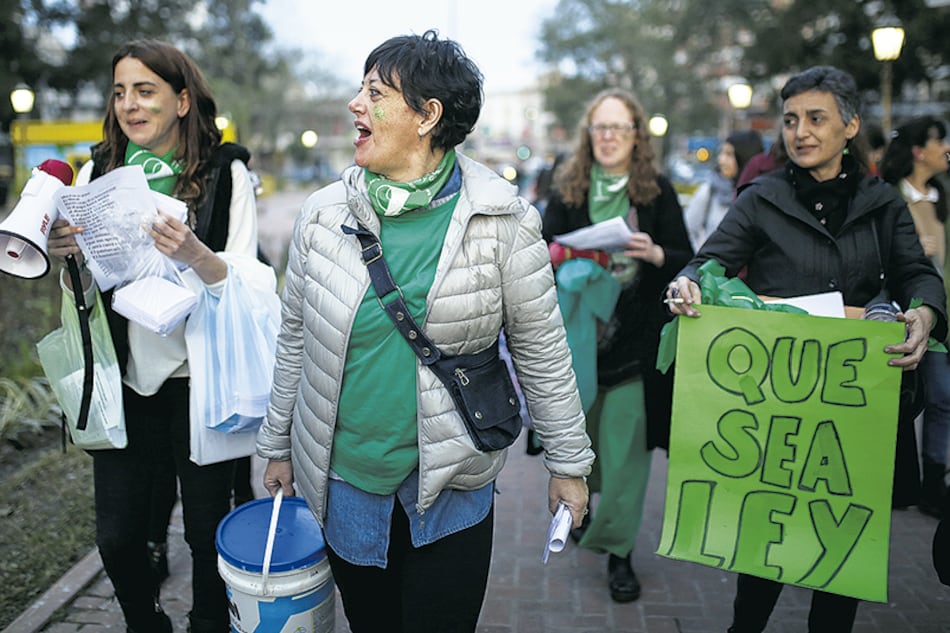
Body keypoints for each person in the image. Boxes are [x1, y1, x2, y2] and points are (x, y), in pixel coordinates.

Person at [256, 30, 593, 633]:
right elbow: (295, 344)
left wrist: (568, 463)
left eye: (376, 93)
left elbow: (542, 350)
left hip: (453, 486)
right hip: (346, 484)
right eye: (360, 89)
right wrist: (277, 445)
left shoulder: (503, 222)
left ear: (427, 116)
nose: (356, 104)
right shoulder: (322, 215)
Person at [666, 65, 948, 633]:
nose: (801, 132)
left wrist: (924, 311)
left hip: (855, 406)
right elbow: (708, 260)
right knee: (763, 540)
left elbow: (919, 274)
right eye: (791, 120)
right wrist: (687, 283)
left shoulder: (883, 203)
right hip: (777, 407)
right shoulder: (761, 198)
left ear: (850, 126)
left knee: (840, 544)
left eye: (816, 118)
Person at [46, 39, 264, 633]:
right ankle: (147, 622)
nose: (130, 105)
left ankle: (209, 624)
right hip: (125, 382)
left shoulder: (227, 173)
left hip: (201, 387)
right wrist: (70, 261)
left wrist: (195, 253)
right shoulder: (98, 174)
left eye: (145, 90)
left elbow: (244, 283)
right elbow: (84, 297)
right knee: (117, 537)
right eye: (120, 92)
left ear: (183, 99)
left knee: (203, 533)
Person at [541, 88, 693, 603]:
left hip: (635, 346)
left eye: (619, 128)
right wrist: (563, 252)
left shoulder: (657, 193)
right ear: (589, 136)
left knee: (626, 454)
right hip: (578, 346)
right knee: (589, 453)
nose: (608, 137)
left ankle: (620, 555)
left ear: (636, 137)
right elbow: (540, 249)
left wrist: (654, 252)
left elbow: (687, 259)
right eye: (600, 128)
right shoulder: (567, 188)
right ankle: (587, 509)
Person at [880, 115, 950, 518]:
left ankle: (933, 479)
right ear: (919, 150)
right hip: (905, 313)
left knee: (942, 400)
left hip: (940, 311)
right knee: (925, 398)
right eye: (939, 140)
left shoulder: (944, 195)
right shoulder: (890, 197)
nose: (946, 147)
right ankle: (914, 480)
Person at [683, 129, 763, 250]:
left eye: (729, 154)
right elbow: (686, 230)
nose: (721, 160)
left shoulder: (760, 195)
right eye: (722, 153)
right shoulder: (709, 191)